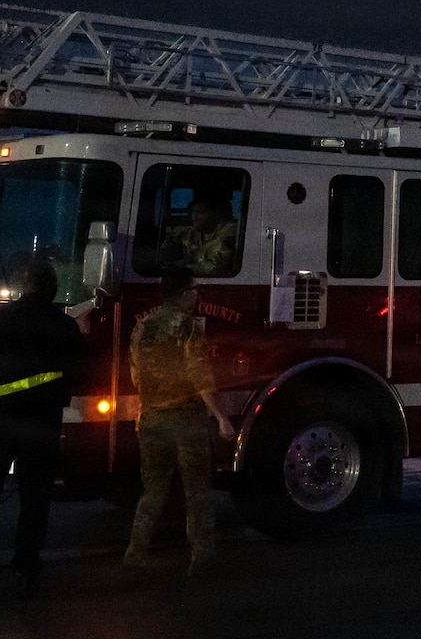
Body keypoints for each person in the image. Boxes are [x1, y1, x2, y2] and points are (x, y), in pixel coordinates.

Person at [0, 258, 86, 600]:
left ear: (23, 286)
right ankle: (26, 566)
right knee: (36, 497)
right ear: (52, 289)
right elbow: (81, 376)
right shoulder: (66, 326)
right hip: (43, 424)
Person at [124, 269, 236, 576]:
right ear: (184, 293)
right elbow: (199, 374)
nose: (197, 295)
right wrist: (221, 418)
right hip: (186, 421)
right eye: (195, 289)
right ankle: (202, 557)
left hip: (151, 420)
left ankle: (135, 553)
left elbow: (135, 375)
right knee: (197, 491)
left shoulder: (142, 327)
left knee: (153, 490)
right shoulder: (188, 326)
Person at [163, 198, 238, 277]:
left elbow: (218, 267)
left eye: (200, 212)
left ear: (216, 214)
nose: (194, 216)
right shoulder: (191, 233)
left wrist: (185, 269)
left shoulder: (229, 234)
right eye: (192, 212)